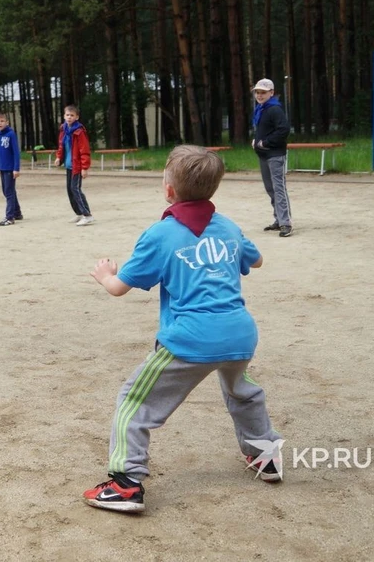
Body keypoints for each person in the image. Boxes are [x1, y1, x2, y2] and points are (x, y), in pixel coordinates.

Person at [84, 145, 282, 514]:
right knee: (243, 393)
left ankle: (126, 484)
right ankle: (266, 457)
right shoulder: (228, 227)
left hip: (188, 338)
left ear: (169, 190)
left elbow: (119, 288)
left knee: (133, 402)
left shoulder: (161, 234)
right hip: (239, 333)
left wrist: (105, 275)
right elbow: (257, 260)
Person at [251, 78, 293, 237]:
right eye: (257, 92)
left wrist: (265, 142)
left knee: (278, 188)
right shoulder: (261, 109)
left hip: (275, 155)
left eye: (263, 92)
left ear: (271, 93)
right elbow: (264, 130)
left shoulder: (274, 109)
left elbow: (283, 130)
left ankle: (286, 223)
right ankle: (278, 219)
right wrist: (256, 141)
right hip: (264, 155)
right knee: (270, 189)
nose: (259, 95)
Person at [54, 105, 93, 226]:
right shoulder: (64, 130)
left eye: (72, 115)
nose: (69, 117)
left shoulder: (79, 132)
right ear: (64, 116)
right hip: (68, 164)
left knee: (75, 189)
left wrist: (84, 168)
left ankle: (87, 215)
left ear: (77, 117)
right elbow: (62, 145)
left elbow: (84, 150)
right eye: (67, 115)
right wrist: (59, 157)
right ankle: (79, 213)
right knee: (69, 190)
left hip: (77, 166)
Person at [0, 112, 22, 226]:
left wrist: (16, 168)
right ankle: (17, 212)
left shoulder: (10, 134)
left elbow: (16, 153)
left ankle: (10, 217)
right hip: (2, 167)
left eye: (2, 121)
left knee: (8, 192)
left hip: (10, 168)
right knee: (8, 191)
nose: (0, 123)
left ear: (7, 122)